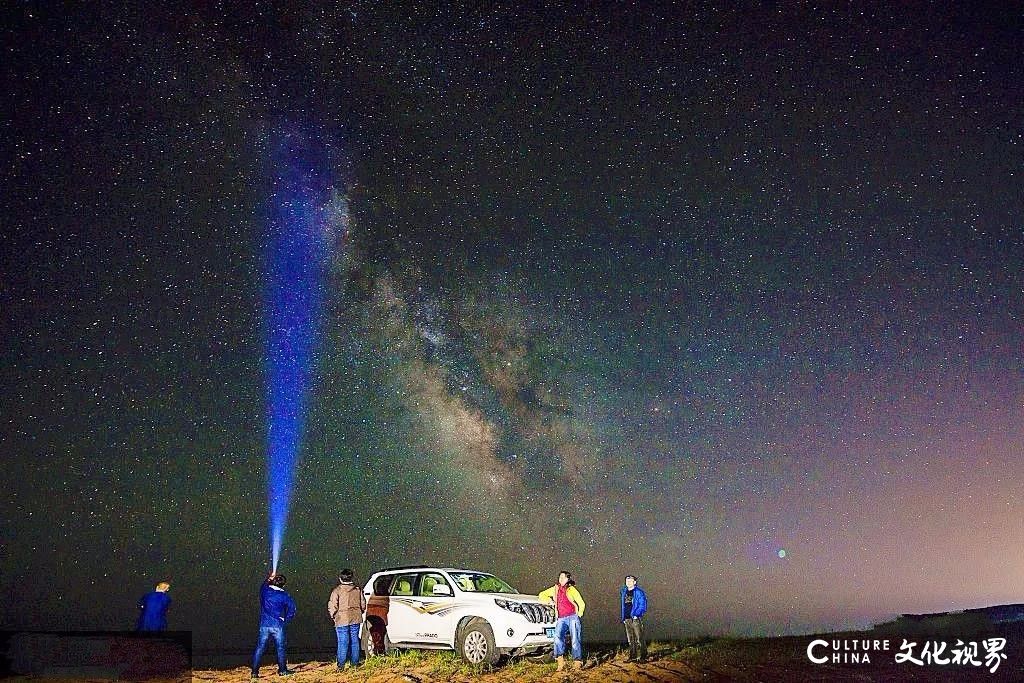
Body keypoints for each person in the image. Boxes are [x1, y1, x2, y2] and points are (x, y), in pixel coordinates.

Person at [251, 574, 297, 679]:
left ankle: (254, 672)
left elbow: (263, 585)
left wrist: (268, 578)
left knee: (260, 648)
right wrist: (286, 619)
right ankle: (282, 670)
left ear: (273, 582)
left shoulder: (265, 591)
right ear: (283, 585)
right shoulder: (284, 595)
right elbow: (292, 609)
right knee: (280, 648)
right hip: (278, 625)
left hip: (265, 624)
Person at [538, 571, 586, 672]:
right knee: (557, 637)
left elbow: (581, 602)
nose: (561, 579)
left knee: (575, 639)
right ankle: (560, 662)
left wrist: (579, 614)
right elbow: (542, 595)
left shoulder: (571, 589)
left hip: (572, 616)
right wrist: (549, 601)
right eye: (560, 577)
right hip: (561, 618)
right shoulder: (555, 589)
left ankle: (577, 661)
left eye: (563, 578)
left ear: (568, 579)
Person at [328, 568, 366, 669]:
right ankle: (355, 663)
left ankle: (341, 665)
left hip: (341, 619)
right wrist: (359, 612)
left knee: (342, 641)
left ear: (340, 578)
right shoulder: (357, 590)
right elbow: (363, 604)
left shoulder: (337, 591)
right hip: (355, 617)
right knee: (354, 640)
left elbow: (332, 606)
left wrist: (334, 616)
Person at [620, 574, 648, 662]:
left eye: (630, 581)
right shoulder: (624, 592)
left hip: (635, 618)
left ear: (634, 582)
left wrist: (637, 614)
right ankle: (633, 656)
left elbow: (643, 604)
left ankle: (643, 656)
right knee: (630, 639)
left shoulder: (639, 592)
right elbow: (624, 605)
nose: (628, 583)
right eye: (626, 581)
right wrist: (624, 617)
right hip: (627, 618)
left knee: (639, 637)